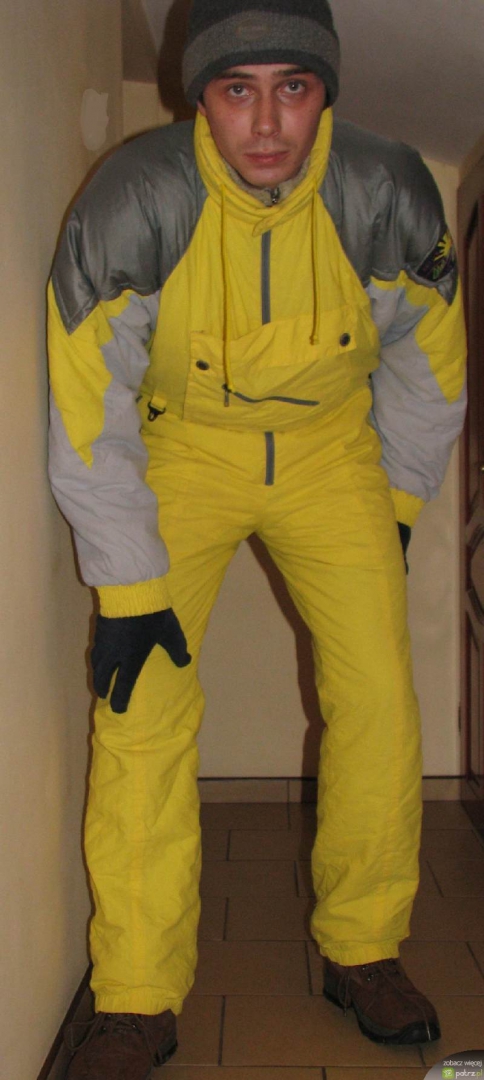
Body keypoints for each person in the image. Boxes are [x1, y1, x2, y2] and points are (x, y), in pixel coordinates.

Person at [48, 0, 467, 1075]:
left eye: (294, 87)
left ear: (327, 92)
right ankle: (136, 996)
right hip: (183, 448)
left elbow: (430, 365)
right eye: (238, 90)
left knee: (379, 699)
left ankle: (363, 947)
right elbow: (88, 404)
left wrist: (395, 508)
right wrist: (128, 587)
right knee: (140, 707)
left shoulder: (387, 190)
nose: (268, 122)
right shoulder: (136, 198)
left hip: (333, 455)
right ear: (200, 96)